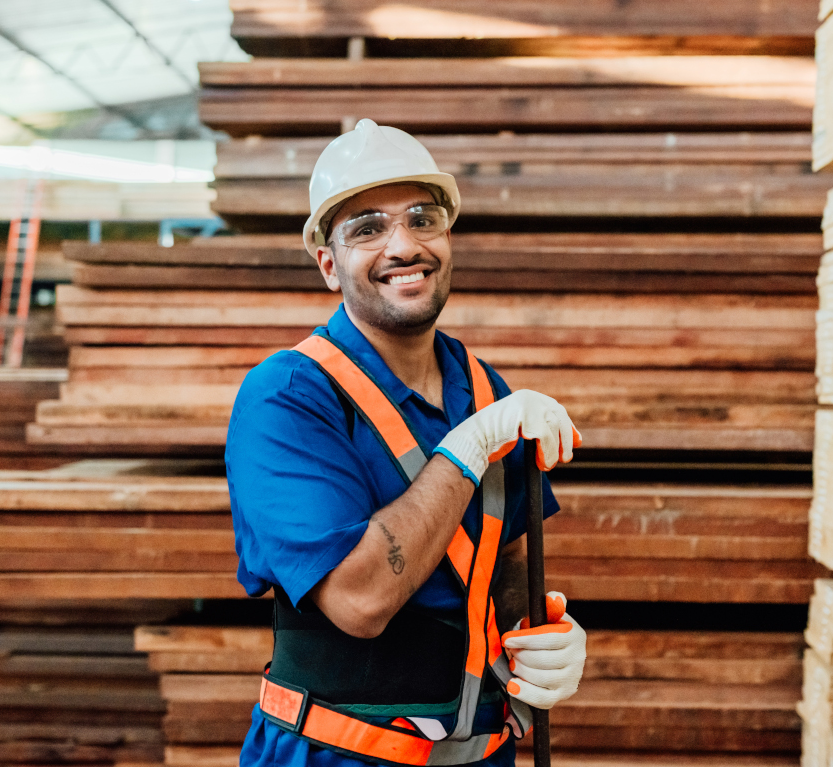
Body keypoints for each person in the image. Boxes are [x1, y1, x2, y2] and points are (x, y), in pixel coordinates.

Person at [225, 119, 586, 767]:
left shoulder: (482, 388)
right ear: (329, 265)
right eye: (368, 228)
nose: (404, 244)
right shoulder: (286, 398)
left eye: (423, 219)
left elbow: (504, 566)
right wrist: (471, 445)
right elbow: (360, 600)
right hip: (333, 756)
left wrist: (546, 636)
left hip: (483, 753)